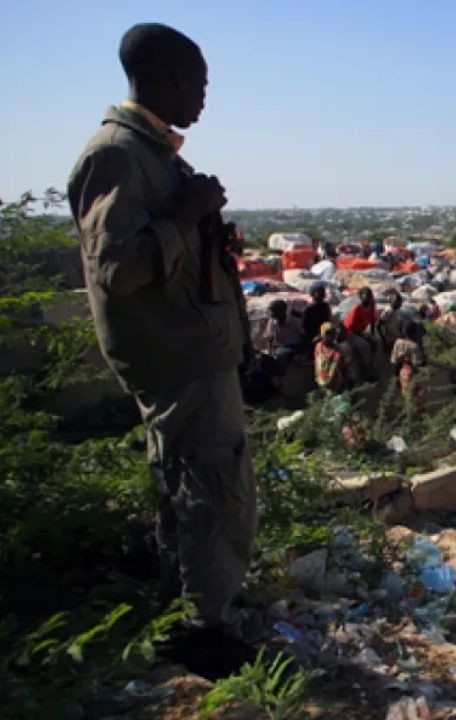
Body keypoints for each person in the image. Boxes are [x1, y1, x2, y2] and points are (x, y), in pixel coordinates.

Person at [67, 23, 258, 649]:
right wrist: (186, 212)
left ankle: (199, 608)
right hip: (178, 357)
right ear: (168, 79)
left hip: (193, 351)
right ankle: (202, 630)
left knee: (198, 486)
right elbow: (118, 268)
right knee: (210, 490)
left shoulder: (154, 154)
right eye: (198, 83)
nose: (204, 97)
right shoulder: (118, 155)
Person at [342, 287, 378, 381]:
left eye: (370, 296)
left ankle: (371, 365)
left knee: (374, 343)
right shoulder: (357, 309)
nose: (368, 298)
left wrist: (372, 335)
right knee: (365, 345)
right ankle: (368, 372)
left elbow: (373, 321)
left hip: (360, 331)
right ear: (361, 297)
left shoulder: (372, 304)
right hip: (350, 332)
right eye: (366, 296)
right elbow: (349, 326)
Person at [265, 299, 307, 369]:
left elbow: (304, 336)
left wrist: (304, 353)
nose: (271, 314)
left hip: (296, 347)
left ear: (281, 311)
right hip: (282, 347)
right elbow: (270, 339)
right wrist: (270, 354)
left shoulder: (294, 321)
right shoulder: (272, 322)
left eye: (273, 311)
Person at [390, 320, 427, 399]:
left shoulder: (398, 342)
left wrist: (396, 374)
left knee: (405, 392)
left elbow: (394, 359)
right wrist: (423, 362)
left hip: (400, 370)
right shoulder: (414, 346)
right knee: (415, 393)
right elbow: (417, 363)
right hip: (411, 372)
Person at [314, 322, 349, 393]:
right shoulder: (318, 346)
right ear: (323, 334)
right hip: (321, 381)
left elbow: (334, 369)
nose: (332, 336)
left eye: (333, 333)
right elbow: (318, 365)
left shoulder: (337, 350)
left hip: (334, 384)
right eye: (329, 333)